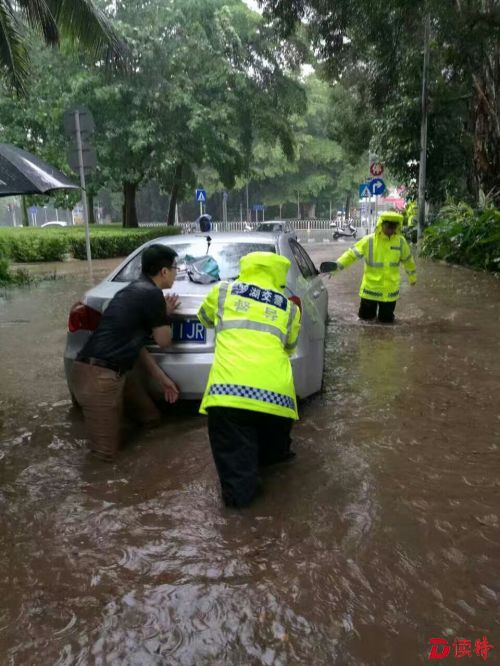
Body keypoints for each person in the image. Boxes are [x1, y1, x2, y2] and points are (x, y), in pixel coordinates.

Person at [197, 251, 301, 508]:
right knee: (276, 464)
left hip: (230, 394)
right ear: (279, 273)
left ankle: (242, 535)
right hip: (278, 399)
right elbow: (289, 347)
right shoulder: (289, 307)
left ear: (245, 267)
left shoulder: (222, 292)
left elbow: (205, 319)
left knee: (239, 482)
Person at [72, 244, 181, 461]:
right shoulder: (152, 295)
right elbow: (164, 342)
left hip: (114, 370)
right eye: (176, 268)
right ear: (164, 271)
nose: (177, 273)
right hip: (100, 375)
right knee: (104, 457)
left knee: (151, 419)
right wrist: (165, 315)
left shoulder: (132, 290)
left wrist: (163, 380)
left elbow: (137, 346)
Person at [325, 211, 417, 323]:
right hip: (370, 290)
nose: (391, 230)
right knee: (365, 322)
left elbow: (408, 260)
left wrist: (412, 277)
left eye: (394, 227)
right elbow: (350, 255)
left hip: (390, 292)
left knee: (387, 323)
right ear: (381, 225)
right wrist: (334, 268)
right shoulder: (369, 240)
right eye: (388, 226)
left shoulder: (400, 242)